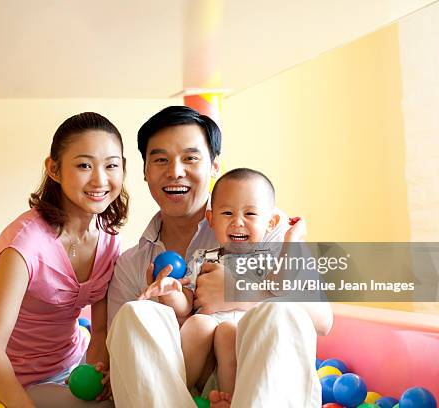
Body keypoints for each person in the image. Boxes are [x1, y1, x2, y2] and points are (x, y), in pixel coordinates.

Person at [106, 106, 333, 408]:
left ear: (214, 167)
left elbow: (321, 320)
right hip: (178, 388)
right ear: (145, 171)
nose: (175, 171)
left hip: (254, 383)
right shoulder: (132, 263)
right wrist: (168, 299)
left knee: (279, 313)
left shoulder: (266, 227)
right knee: (135, 313)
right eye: (161, 160)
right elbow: (123, 366)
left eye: (190, 158)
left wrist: (240, 291)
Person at [0, 112, 128, 408]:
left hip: (75, 364)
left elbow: (99, 330)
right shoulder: (25, 246)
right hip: (22, 379)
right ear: (54, 169)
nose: (100, 179)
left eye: (112, 165)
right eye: (84, 165)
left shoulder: (109, 239)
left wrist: (94, 378)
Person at [138, 167, 307, 406]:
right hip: (204, 363)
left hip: (244, 355)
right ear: (211, 219)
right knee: (198, 323)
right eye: (227, 213)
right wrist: (171, 292)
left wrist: (291, 241)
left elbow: (281, 286)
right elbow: (187, 304)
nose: (237, 222)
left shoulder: (268, 261)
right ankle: (176, 395)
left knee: (229, 331)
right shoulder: (202, 259)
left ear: (271, 223)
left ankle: (230, 399)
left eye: (250, 214)